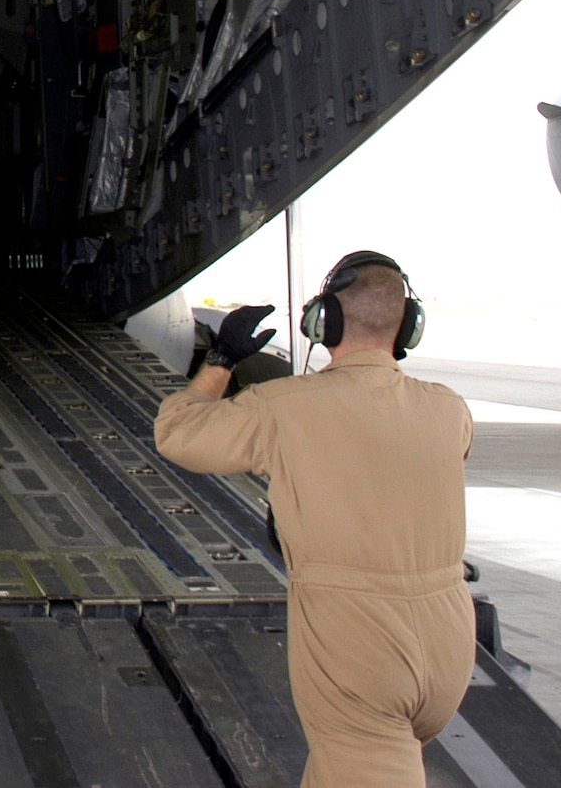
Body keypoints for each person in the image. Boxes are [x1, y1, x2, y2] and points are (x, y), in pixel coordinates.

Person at [154, 252, 476, 788]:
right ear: (407, 330)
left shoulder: (284, 406)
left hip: (362, 653)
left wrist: (223, 358)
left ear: (322, 322)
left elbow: (178, 433)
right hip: (447, 647)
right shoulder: (450, 409)